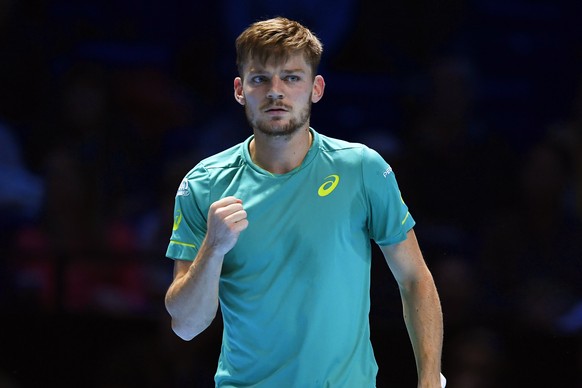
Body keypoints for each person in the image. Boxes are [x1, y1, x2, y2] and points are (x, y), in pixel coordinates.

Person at [164, 17, 444, 387]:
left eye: (292, 77)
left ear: (316, 88)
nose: (275, 92)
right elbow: (186, 325)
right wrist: (213, 249)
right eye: (260, 78)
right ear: (239, 89)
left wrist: (429, 380)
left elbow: (414, 279)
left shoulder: (362, 169)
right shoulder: (203, 184)